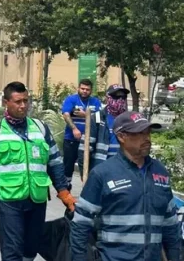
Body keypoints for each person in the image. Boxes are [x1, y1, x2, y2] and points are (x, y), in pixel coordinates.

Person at [0, 81, 75, 261]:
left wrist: (64, 192)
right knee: (12, 250)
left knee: (31, 248)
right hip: (8, 199)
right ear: (6, 102)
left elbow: (55, 162)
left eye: (26, 101)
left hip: (37, 197)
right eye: (18, 101)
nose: (23, 105)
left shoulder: (40, 128)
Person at [70, 110, 180, 261]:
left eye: (148, 132)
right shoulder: (102, 174)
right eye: (140, 133)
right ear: (121, 137)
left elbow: (171, 226)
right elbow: (80, 225)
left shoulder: (160, 172)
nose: (147, 138)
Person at [61, 79, 103, 186]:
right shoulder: (71, 99)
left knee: (87, 166)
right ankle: (66, 189)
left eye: (87, 89)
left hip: (89, 141)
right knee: (68, 166)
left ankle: (87, 188)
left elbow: (100, 118)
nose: (84, 91)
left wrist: (85, 115)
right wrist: (74, 129)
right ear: (78, 88)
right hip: (71, 139)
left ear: (91, 90)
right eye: (82, 88)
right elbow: (66, 114)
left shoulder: (95, 102)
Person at [79, 84, 130, 171]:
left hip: (124, 168)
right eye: (116, 96)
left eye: (123, 97)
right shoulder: (97, 118)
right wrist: (85, 172)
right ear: (107, 98)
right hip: (102, 168)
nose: (120, 100)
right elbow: (84, 149)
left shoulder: (129, 119)